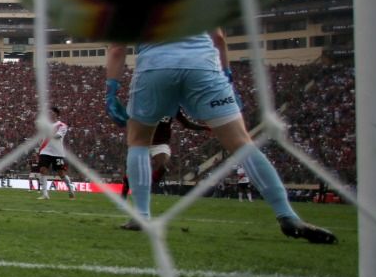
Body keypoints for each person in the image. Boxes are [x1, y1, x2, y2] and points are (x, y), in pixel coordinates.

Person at [105, 29, 335, 243]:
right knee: (241, 143)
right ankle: (286, 214)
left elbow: (117, 48)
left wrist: (111, 90)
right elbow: (219, 38)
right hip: (203, 66)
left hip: (155, 67)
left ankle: (141, 215)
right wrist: (227, 76)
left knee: (139, 142)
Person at [34, 118, 74, 200]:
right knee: (42, 170)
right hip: (45, 151)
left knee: (61, 173)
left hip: (57, 153)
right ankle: (45, 194)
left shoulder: (62, 125)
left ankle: (70, 189)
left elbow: (58, 136)